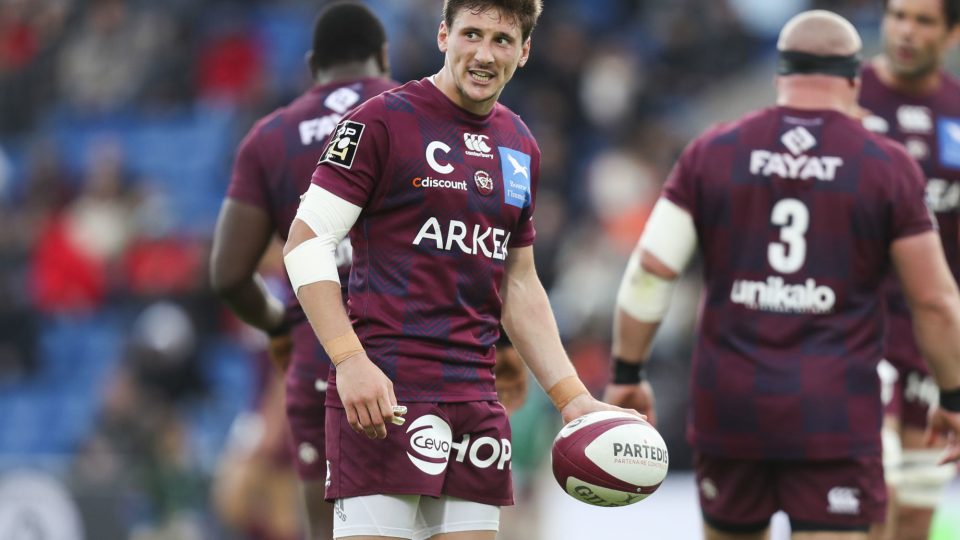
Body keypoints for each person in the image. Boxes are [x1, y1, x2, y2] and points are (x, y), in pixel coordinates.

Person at [282, 1, 635, 538]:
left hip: (476, 403)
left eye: (502, 40)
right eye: (472, 34)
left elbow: (518, 279)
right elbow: (305, 244)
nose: (484, 53)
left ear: (525, 51)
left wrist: (573, 397)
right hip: (384, 399)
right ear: (444, 35)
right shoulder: (381, 121)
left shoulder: (519, 145)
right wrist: (349, 359)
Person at [604, 10, 960, 540]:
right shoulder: (884, 163)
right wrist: (953, 395)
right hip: (835, 412)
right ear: (854, 80)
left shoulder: (713, 150)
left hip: (731, 406)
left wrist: (627, 373)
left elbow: (650, 270)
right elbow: (934, 301)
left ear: (779, 75)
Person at [209, 3, 397, 538]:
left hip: (318, 359)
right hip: (417, 350)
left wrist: (279, 326)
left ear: (313, 65)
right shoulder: (422, 113)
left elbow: (227, 274)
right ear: (383, 57)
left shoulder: (268, 137)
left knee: (329, 528)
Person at [857, 1, 960, 538]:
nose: (905, 30)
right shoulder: (847, 97)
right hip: (855, 326)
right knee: (873, 490)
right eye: (898, 15)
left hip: (930, 334)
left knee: (915, 512)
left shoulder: (958, 112)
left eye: (923, 20)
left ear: (952, 34)